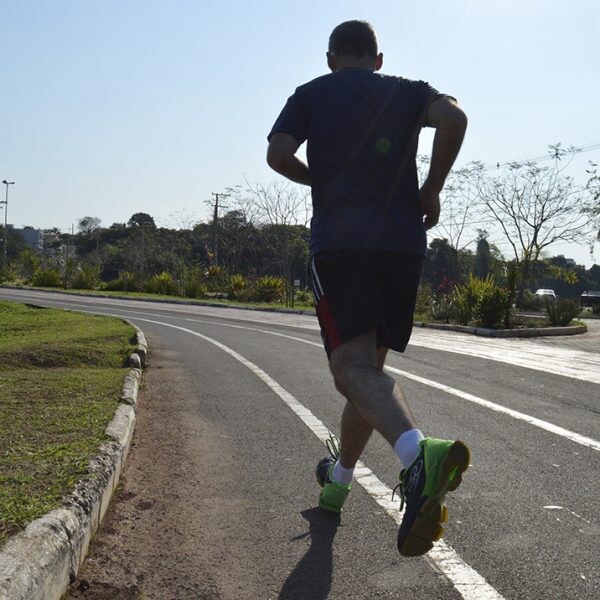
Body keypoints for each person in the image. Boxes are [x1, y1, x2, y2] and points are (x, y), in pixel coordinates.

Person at [266, 20, 469, 557]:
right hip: (403, 246)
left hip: (343, 246)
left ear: (331, 58)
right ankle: (338, 480)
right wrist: (430, 188)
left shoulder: (310, 94)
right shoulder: (409, 90)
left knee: (349, 370)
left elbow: (279, 156)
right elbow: (455, 118)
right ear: (378, 59)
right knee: (367, 375)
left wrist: (323, 180)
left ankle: (416, 454)